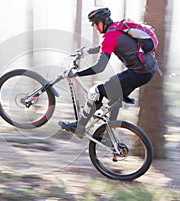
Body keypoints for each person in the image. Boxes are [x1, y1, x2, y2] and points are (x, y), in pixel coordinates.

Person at [58, 7, 159, 138]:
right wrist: (85, 52)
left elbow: (99, 67)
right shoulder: (117, 28)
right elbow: (104, 47)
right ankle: (109, 135)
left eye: (94, 23)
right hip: (147, 72)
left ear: (102, 22)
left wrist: (77, 74)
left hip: (138, 73)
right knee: (113, 97)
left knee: (97, 92)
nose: (94, 27)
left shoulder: (110, 36)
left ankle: (80, 126)